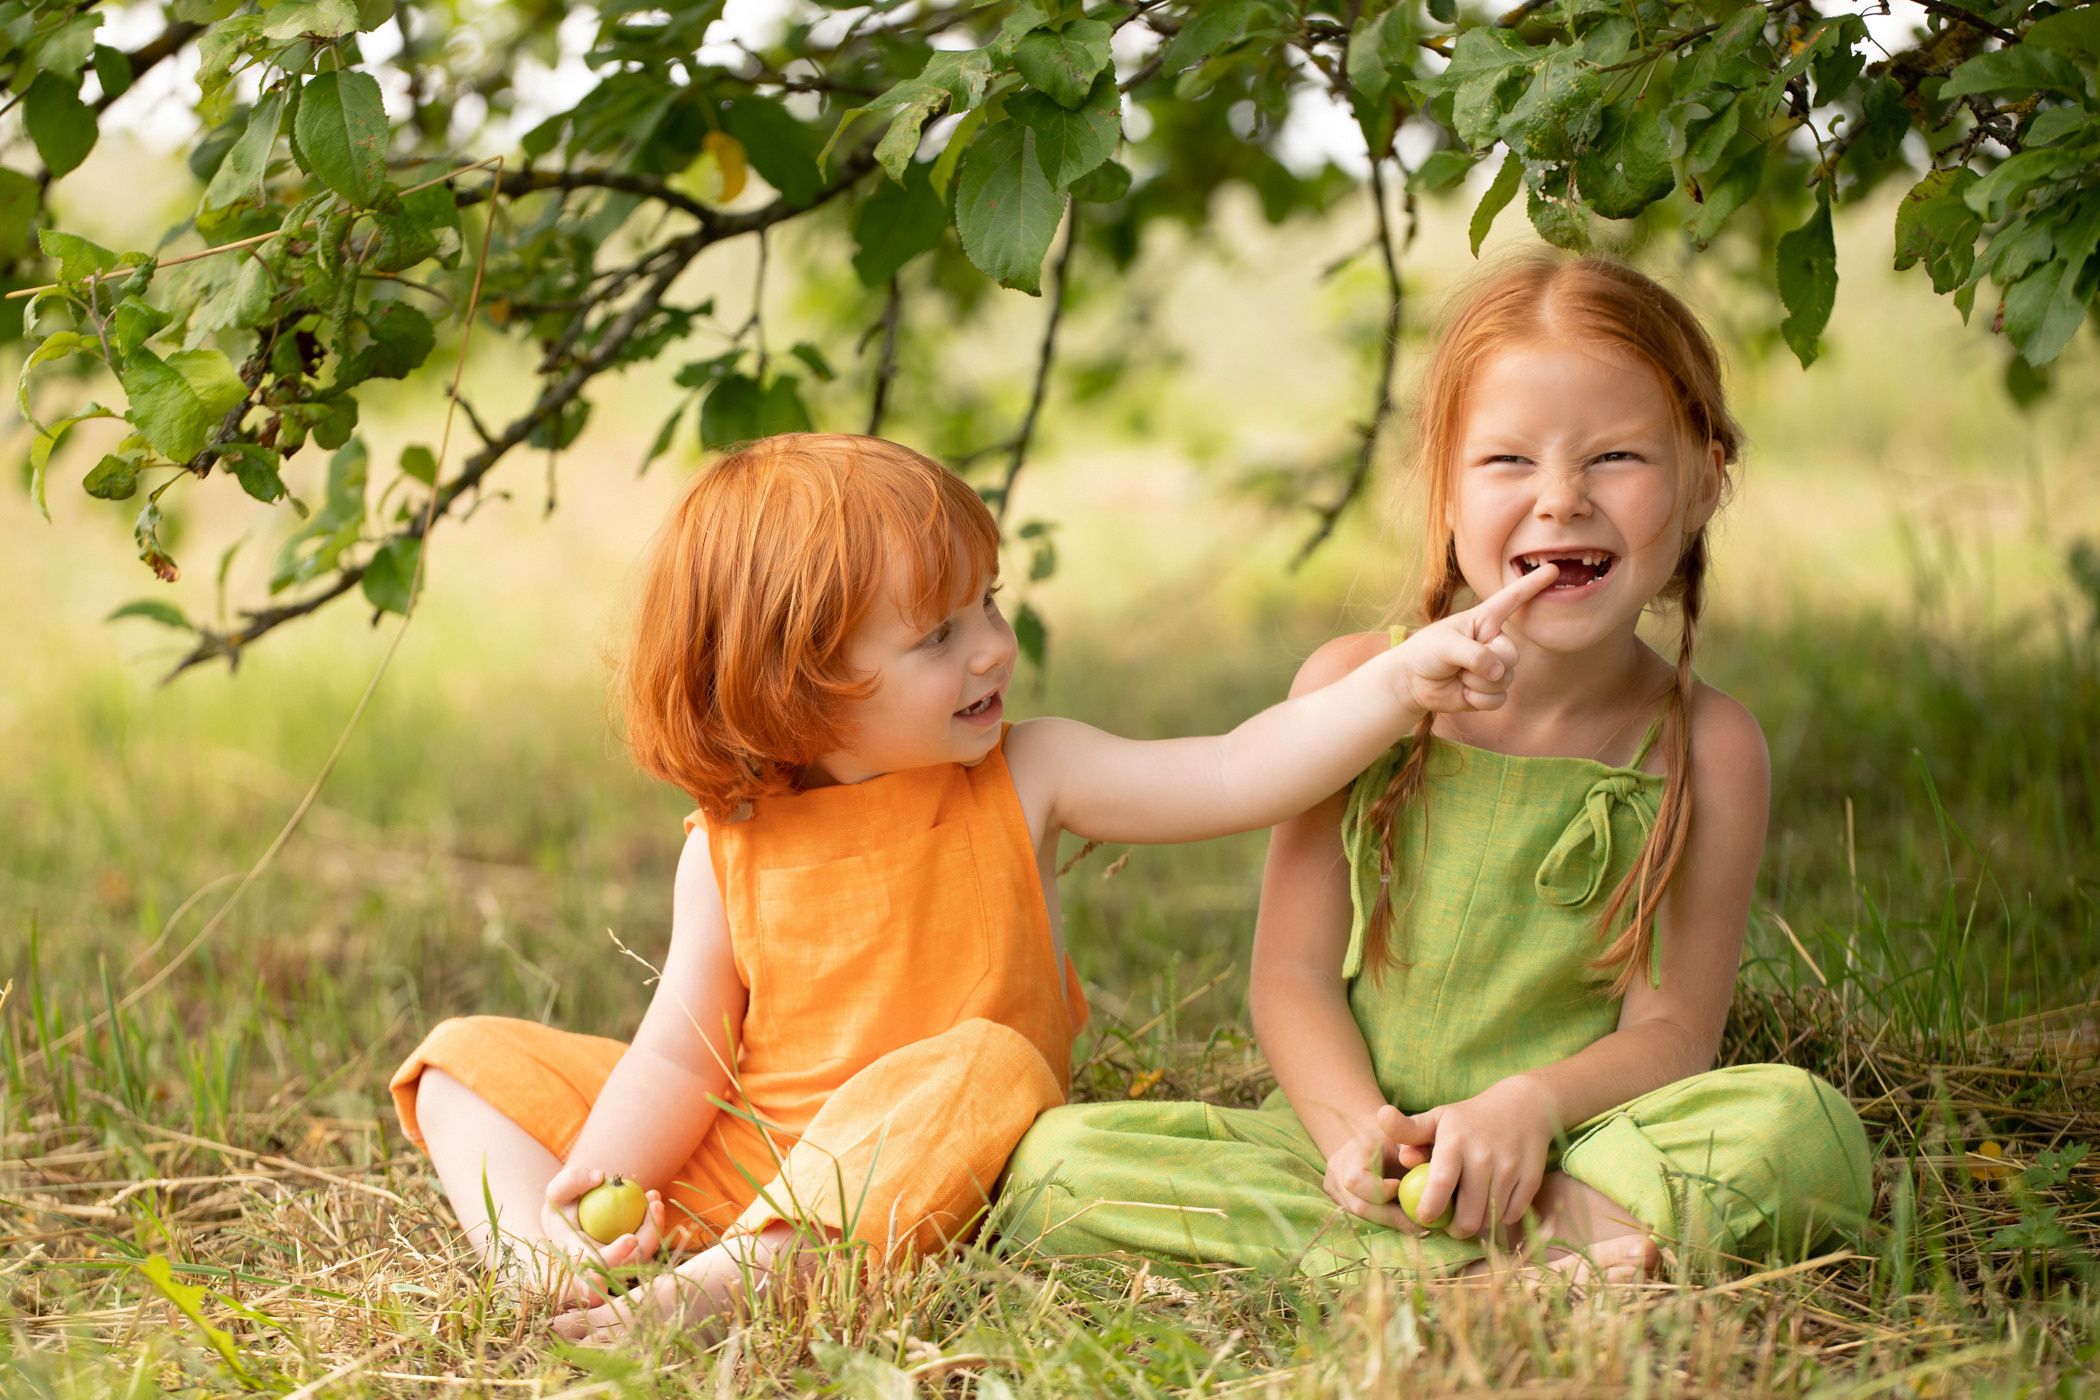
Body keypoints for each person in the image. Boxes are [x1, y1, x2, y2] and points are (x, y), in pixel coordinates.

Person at [389, 431, 1566, 1339]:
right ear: (797, 684)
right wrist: (607, 1174)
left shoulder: (1028, 772)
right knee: (461, 1061)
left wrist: (1401, 682)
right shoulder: (731, 843)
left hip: (930, 1158)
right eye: (938, 635)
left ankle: (736, 1282)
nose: (994, 646)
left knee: (986, 1055)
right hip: (749, 1162)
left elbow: (1235, 770)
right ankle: (551, 1259)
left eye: (988, 603)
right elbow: (679, 1058)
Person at [1000, 254, 1873, 1283]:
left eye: (1616, 457)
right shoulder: (1352, 691)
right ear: (1445, 490)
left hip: (1574, 1146)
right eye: (1507, 460)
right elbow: (1289, 977)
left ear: (1702, 482)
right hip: (1346, 1146)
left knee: (1807, 1126)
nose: (1561, 500)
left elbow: (1675, 1032)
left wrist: (1528, 1108)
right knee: (1055, 1165)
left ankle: (1478, 1244)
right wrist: (1358, 1140)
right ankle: (1520, 1260)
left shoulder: (1707, 747)